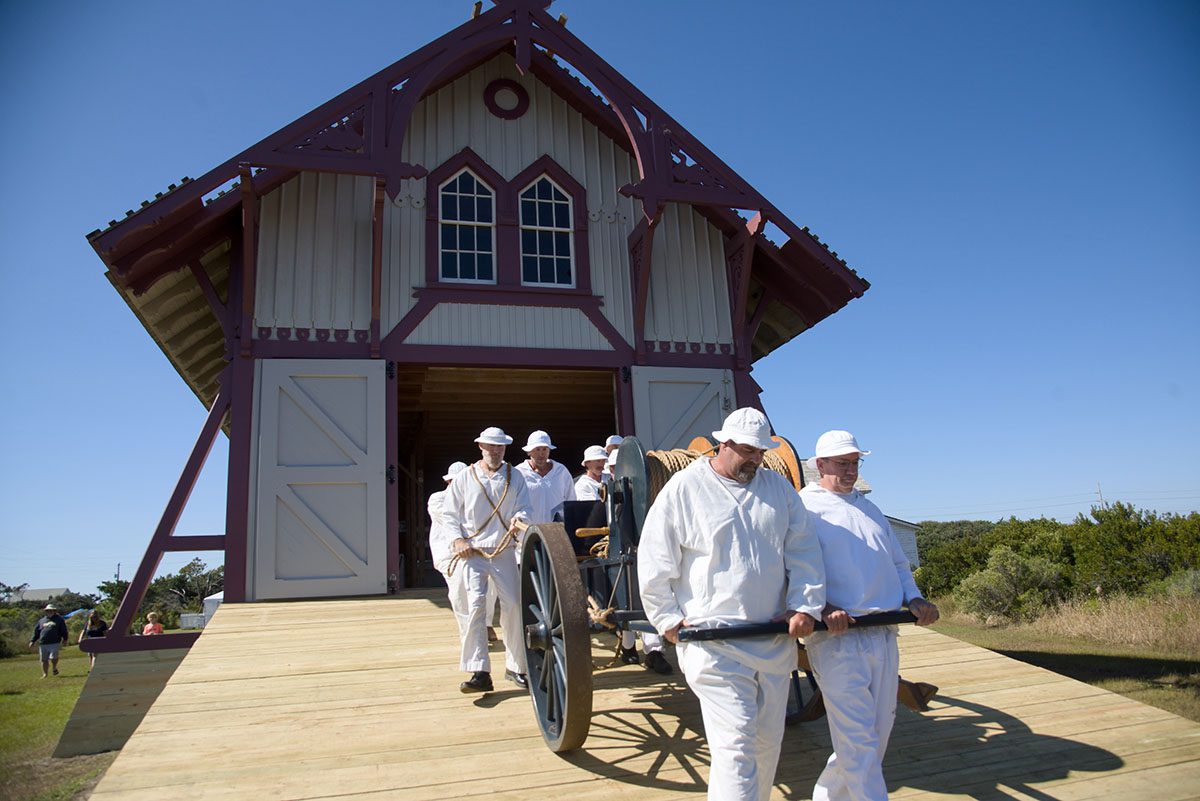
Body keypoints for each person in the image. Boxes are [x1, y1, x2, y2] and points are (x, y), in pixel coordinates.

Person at [638, 407, 826, 801]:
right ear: (723, 444)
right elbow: (656, 558)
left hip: (773, 640)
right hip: (713, 642)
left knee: (766, 743)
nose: (756, 459)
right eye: (747, 451)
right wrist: (667, 618)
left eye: (760, 452)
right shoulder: (684, 489)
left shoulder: (779, 491)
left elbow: (804, 552)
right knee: (735, 746)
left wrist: (805, 605)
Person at [799, 430, 939, 801]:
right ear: (820, 465)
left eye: (855, 462)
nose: (850, 469)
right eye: (842, 462)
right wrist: (822, 607)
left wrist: (915, 597)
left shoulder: (870, 508)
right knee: (858, 739)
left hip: (884, 633)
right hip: (836, 639)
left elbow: (897, 562)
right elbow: (793, 570)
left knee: (875, 735)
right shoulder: (805, 509)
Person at [443, 426, 533, 693]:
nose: (495, 451)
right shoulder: (464, 477)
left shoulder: (515, 476)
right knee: (475, 608)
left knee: (515, 605)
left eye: (500, 447)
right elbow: (450, 514)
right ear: (480, 447)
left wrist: (521, 520)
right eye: (491, 446)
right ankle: (479, 671)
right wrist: (457, 541)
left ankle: (516, 667)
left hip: (504, 550)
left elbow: (525, 507)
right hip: (473, 552)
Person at [429, 461, 470, 640]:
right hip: (448, 554)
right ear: (449, 482)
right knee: (459, 588)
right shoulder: (437, 498)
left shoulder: (473, 500)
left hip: (472, 551)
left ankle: (485, 624)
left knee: (491, 584)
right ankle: (467, 633)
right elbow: (452, 520)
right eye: (456, 481)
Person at [515, 430, 575, 525]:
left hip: (556, 533)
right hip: (527, 533)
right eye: (537, 449)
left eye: (544, 449)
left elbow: (571, 501)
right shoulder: (519, 472)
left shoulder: (562, 471)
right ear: (529, 452)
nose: (541, 453)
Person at [29, 604, 69, 678]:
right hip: (43, 643)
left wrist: (65, 639)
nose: (49, 612)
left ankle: (54, 668)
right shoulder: (41, 620)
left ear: (54, 611)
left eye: (51, 610)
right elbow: (36, 631)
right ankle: (45, 674)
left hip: (54, 642)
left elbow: (63, 630)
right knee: (44, 660)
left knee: (53, 657)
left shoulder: (59, 619)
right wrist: (32, 641)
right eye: (48, 610)